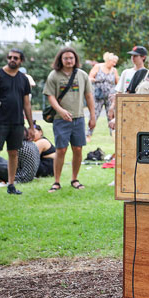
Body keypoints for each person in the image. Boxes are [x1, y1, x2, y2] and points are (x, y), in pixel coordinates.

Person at [0, 49, 35, 203]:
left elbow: (27, 103)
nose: (12, 59)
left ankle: (11, 185)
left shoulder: (23, 79)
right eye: (10, 57)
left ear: (21, 61)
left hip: (17, 122)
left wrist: (31, 126)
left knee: (14, 153)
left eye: (16, 58)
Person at [43, 47, 95, 192]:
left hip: (79, 118)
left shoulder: (83, 75)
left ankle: (74, 179)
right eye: (65, 58)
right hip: (60, 119)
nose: (69, 60)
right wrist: (60, 110)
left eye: (71, 58)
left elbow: (89, 96)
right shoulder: (54, 75)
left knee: (78, 149)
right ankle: (56, 181)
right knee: (61, 150)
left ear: (75, 59)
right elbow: (50, 96)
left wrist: (93, 115)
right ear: (60, 59)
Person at [87, 52, 119, 139]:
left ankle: (114, 134)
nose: (114, 63)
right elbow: (89, 78)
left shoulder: (114, 70)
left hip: (110, 97)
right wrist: (96, 80)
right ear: (108, 60)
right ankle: (88, 134)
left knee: (111, 115)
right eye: (113, 61)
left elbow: (118, 83)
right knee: (94, 114)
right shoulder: (98, 66)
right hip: (98, 95)